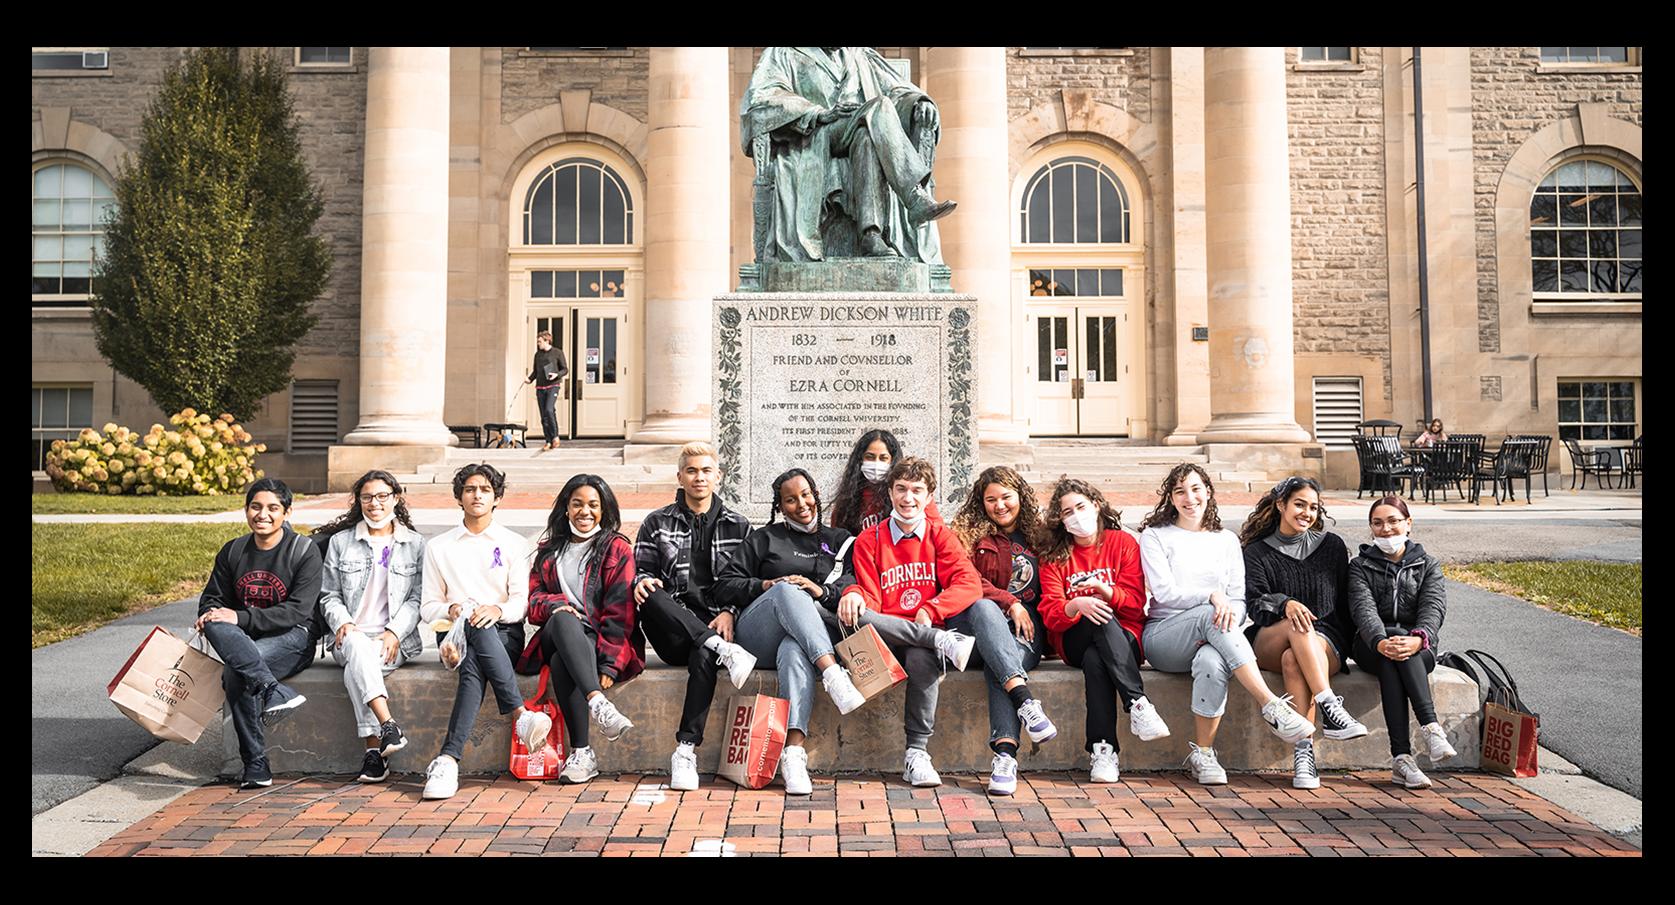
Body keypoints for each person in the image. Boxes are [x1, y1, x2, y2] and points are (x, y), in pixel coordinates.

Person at [837, 456, 1055, 788]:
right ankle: (947, 648)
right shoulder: (871, 539)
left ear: (929, 496)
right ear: (890, 493)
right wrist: (853, 592)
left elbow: (967, 584)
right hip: (892, 632)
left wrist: (932, 609)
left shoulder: (940, 536)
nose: (908, 498)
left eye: (917, 490)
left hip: (929, 634)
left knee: (932, 649)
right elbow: (871, 600)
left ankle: (917, 754)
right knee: (862, 614)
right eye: (901, 489)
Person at [1138, 464, 1316, 786]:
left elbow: (1237, 597)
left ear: (1208, 491)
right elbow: (1165, 593)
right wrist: (1212, 598)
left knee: (1212, 660)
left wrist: (1224, 612)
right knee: (1210, 613)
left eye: (1195, 489)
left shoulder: (1227, 540)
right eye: (1180, 492)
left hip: (1215, 633)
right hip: (1165, 637)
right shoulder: (1155, 536)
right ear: (1171, 498)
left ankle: (1203, 754)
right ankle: (1271, 705)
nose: (1189, 498)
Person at [713, 468, 868, 795]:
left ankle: (793, 753)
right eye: (791, 500)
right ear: (780, 507)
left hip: (809, 636)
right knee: (787, 590)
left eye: (806, 494)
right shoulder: (763, 539)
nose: (801, 504)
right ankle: (833, 674)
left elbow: (851, 585)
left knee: (793, 648)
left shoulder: (839, 541)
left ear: (816, 494)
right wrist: (766, 585)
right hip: (758, 635)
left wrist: (819, 590)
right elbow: (725, 586)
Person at [740, 46, 956, 263]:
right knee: (878, 106)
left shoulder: (859, 55)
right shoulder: (784, 52)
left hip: (859, 128)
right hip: (817, 135)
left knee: (866, 134)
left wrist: (920, 103)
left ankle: (871, 234)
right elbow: (761, 97)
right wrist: (817, 113)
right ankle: (913, 195)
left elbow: (897, 91)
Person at [418, 463, 550, 800]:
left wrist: (497, 610)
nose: (477, 495)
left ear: (497, 498)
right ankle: (519, 714)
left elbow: (522, 602)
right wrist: (451, 610)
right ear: (459, 498)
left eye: (485, 490)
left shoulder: (514, 544)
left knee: (476, 654)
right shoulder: (439, 546)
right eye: (470, 489)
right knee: (471, 624)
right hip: (453, 635)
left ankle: (449, 759)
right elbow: (428, 606)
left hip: (504, 633)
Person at [633, 442, 760, 792]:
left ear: (717, 476)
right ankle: (718, 645)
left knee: (705, 653)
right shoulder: (656, 522)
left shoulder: (739, 525)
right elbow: (640, 570)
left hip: (714, 626)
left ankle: (685, 750)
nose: (699, 477)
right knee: (650, 594)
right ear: (680, 476)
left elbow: (745, 584)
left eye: (706, 471)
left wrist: (728, 612)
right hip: (671, 629)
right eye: (691, 471)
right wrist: (644, 581)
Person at [1037, 478, 1171, 785]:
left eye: (1080, 507)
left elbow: (1136, 606)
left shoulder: (1122, 544)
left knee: (1098, 659)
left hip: (1125, 639)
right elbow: (1051, 615)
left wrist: (1105, 591)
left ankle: (1103, 749)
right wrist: (1077, 605)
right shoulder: (1055, 555)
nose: (1076, 516)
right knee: (1096, 615)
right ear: (1061, 520)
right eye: (1067, 512)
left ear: (1096, 505)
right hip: (1073, 638)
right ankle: (1137, 703)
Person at [1237, 476, 1368, 791]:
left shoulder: (1332, 546)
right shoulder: (1256, 552)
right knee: (1297, 626)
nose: (1306, 513)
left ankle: (1304, 753)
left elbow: (1343, 605)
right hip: (1272, 634)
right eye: (1299, 504)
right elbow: (1255, 605)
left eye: (1313, 507)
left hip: (1326, 642)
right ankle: (1329, 706)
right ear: (1281, 504)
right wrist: (1286, 603)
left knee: (1294, 660)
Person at [195, 478, 322, 790]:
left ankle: (255, 763)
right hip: (246, 640)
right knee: (213, 622)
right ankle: (271, 690)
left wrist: (238, 616)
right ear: (246, 510)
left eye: (272, 508)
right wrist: (213, 615)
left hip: (294, 638)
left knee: (236, 672)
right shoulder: (234, 551)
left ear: (286, 512)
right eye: (255, 506)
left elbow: (297, 612)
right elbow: (211, 600)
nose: (262, 514)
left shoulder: (303, 551)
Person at [518, 474, 642, 784]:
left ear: (604, 510)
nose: (584, 512)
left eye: (592, 505)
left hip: (593, 640)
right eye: (577, 504)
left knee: (564, 662)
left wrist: (611, 664)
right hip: (554, 631)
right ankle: (598, 703)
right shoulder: (549, 550)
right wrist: (556, 605)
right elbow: (533, 602)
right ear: (565, 509)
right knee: (561, 617)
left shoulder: (615, 549)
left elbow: (620, 610)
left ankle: (583, 753)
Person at [949, 465, 1062, 795]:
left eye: (1006, 497)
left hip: (1026, 632)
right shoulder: (969, 535)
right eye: (991, 499)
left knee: (999, 661)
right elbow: (968, 581)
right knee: (985, 610)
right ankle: (1025, 703)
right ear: (980, 503)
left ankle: (1004, 757)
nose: (999, 505)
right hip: (978, 624)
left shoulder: (1041, 537)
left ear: (1020, 497)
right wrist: (1009, 602)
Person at [311, 470, 427, 784]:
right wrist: (345, 622)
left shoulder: (415, 544)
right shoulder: (341, 542)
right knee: (358, 645)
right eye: (367, 497)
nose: (374, 503)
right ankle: (387, 724)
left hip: (394, 642)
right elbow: (329, 595)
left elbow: (418, 597)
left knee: (355, 670)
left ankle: (374, 753)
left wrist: (394, 632)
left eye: (381, 496)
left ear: (396, 498)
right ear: (359, 501)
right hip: (349, 635)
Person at [1347, 496, 1457, 790]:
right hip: (1371, 645)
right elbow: (1363, 610)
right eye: (1378, 523)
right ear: (1371, 528)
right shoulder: (1359, 566)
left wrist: (1419, 639)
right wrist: (1381, 641)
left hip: (1419, 646)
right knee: (1391, 653)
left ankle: (1402, 759)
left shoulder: (1428, 565)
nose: (1386, 529)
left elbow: (1433, 609)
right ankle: (1431, 728)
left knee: (1401, 655)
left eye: (1393, 521)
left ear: (1408, 524)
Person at [828, 428, 943, 535]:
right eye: (870, 457)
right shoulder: (848, 499)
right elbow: (837, 538)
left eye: (883, 458)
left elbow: (937, 531)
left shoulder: (911, 496)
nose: (876, 464)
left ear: (893, 461)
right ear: (860, 460)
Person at [527, 330, 569, 451]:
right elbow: (535, 371)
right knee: (543, 416)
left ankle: (555, 436)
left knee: (549, 410)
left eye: (540, 342)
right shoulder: (538, 355)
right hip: (540, 387)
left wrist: (556, 375)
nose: (538, 344)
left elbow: (565, 369)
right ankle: (548, 440)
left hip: (553, 386)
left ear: (547, 341)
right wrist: (529, 379)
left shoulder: (557, 353)